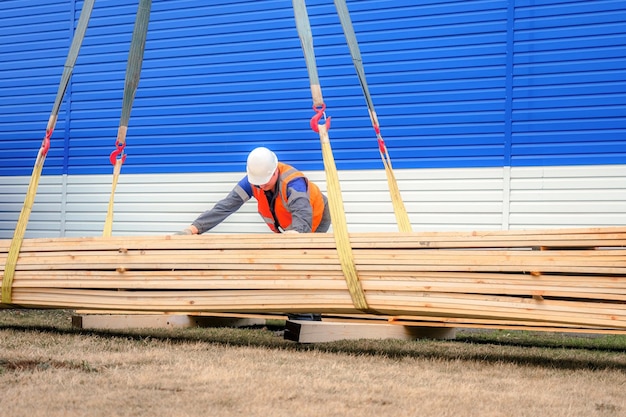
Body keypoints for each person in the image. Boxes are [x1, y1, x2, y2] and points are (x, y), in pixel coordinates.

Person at [176, 146, 331, 321]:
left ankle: (306, 317)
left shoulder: (293, 182)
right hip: (290, 227)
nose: (262, 186)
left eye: (266, 181)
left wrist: (295, 237)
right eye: (259, 182)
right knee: (291, 263)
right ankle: (298, 312)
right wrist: (193, 228)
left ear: (275, 171)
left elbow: (303, 215)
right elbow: (226, 206)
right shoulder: (254, 181)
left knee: (302, 263)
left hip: (316, 218)